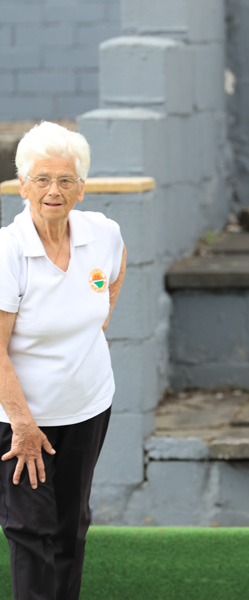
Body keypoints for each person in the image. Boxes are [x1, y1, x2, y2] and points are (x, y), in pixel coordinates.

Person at [0, 121, 127, 599]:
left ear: (81, 188)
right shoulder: (7, 252)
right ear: (22, 187)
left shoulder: (103, 233)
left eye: (65, 180)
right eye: (42, 179)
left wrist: (96, 329)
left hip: (89, 406)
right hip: (21, 419)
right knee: (32, 532)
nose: (54, 191)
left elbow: (114, 274)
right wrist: (23, 425)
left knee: (72, 524)